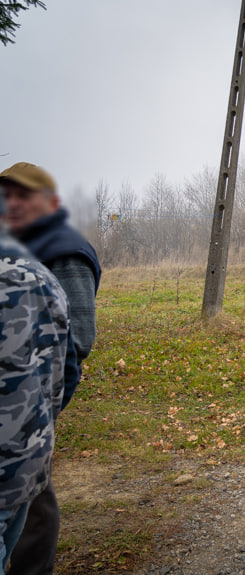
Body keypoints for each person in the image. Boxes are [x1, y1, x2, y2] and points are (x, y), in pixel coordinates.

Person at [1, 162, 101, 575]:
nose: (13, 204)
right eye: (7, 196)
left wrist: (43, 407)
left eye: (25, 195)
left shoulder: (63, 250)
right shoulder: (20, 245)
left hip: (29, 401)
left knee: (33, 502)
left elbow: (77, 340)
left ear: (52, 203)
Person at [0, 191, 75, 571]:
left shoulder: (62, 256)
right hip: (24, 459)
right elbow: (65, 369)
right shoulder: (39, 275)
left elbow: (75, 348)